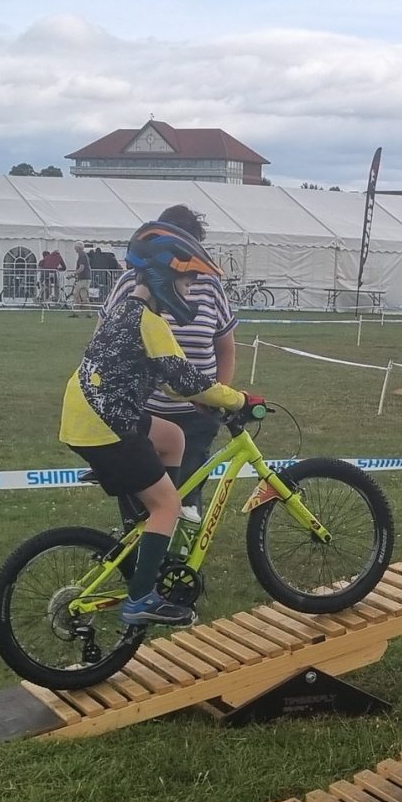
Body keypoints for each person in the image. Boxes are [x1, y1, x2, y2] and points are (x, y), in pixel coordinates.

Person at [60, 216, 257, 628]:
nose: (189, 291)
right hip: (107, 424)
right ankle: (140, 600)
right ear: (164, 278)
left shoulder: (128, 311)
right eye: (186, 282)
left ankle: (150, 523)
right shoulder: (150, 323)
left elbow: (165, 380)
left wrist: (197, 397)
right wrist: (238, 399)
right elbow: (185, 379)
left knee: (171, 438)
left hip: (92, 414)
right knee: (166, 503)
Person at [103, 206, 238, 520]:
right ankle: (144, 553)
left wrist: (217, 399)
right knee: (146, 507)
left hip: (195, 419)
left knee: (185, 504)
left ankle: (172, 553)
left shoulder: (210, 286)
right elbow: (107, 346)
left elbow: (225, 349)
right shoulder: (133, 289)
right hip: (142, 414)